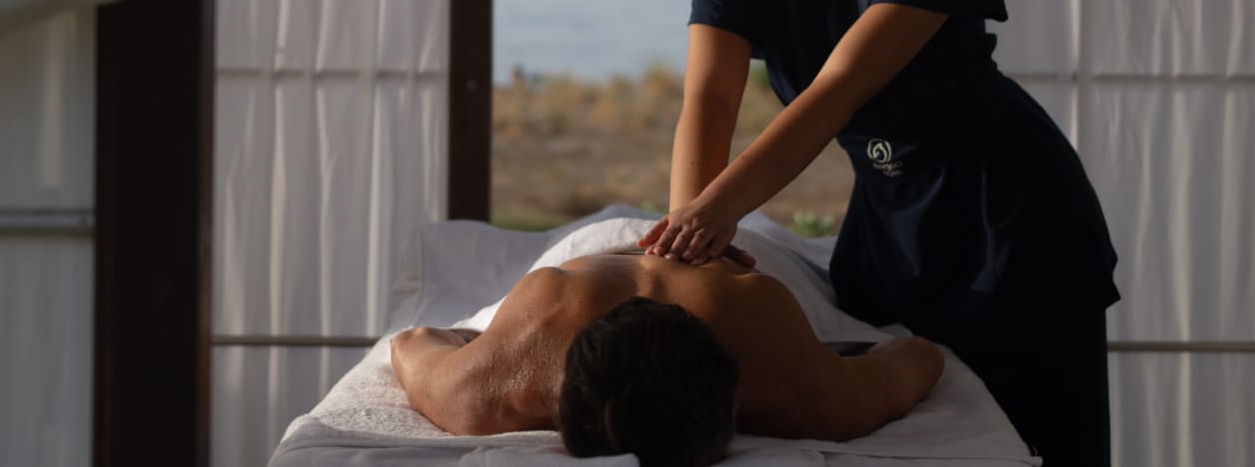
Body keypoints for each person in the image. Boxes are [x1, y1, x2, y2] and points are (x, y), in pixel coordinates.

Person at [637, 0, 1120, 466]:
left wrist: (720, 210)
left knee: (1046, 442)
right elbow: (709, 100)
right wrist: (685, 256)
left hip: (1007, 209)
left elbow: (837, 89)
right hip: (890, 218)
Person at [390, 249, 944, 467]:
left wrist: (478, 345)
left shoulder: (488, 389)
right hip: (727, 261)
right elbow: (916, 355)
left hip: (614, 257)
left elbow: (412, 341)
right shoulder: (801, 392)